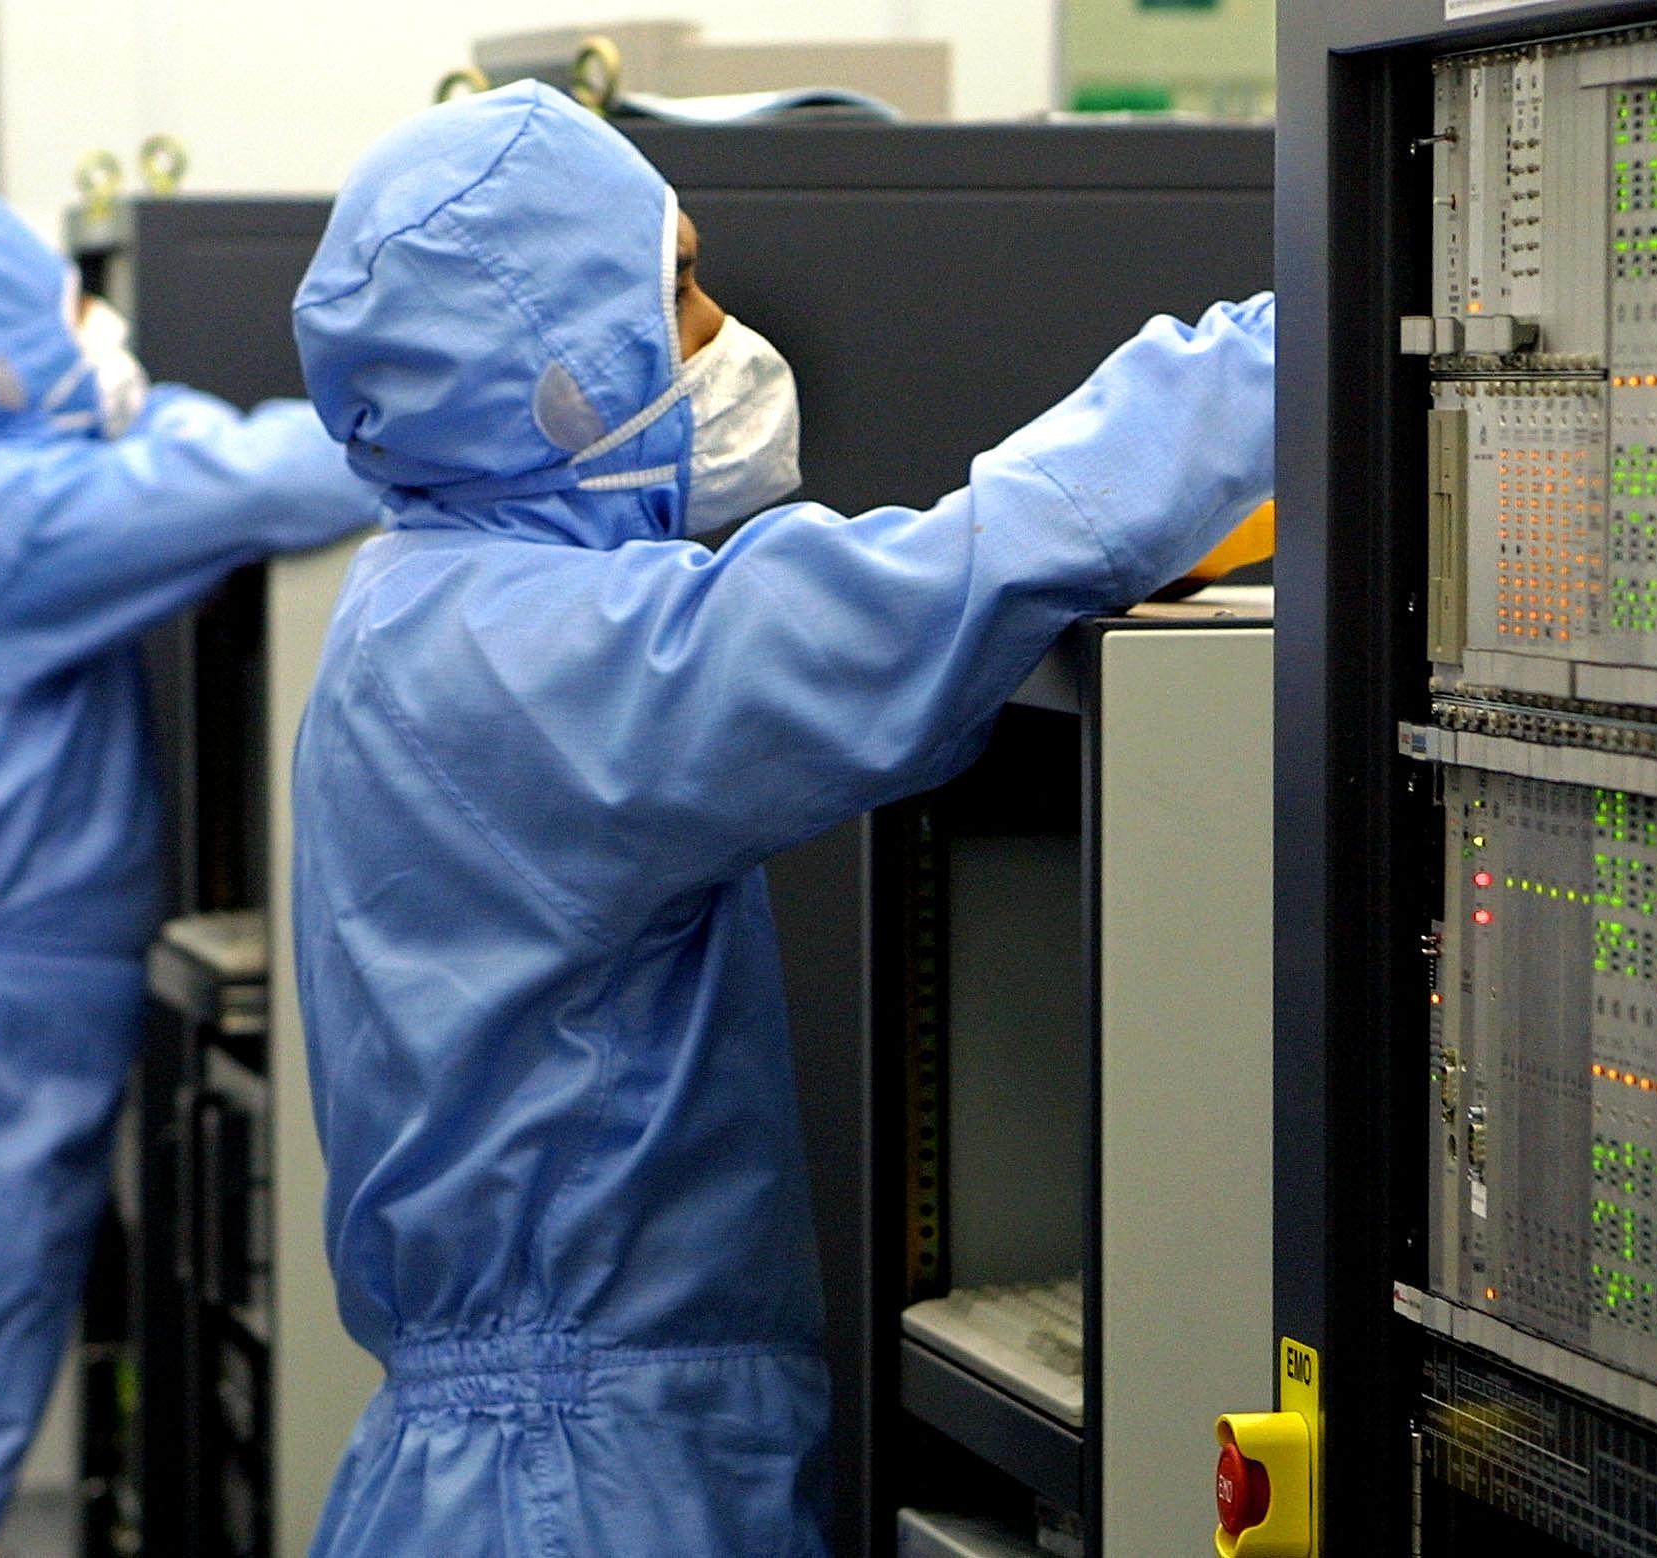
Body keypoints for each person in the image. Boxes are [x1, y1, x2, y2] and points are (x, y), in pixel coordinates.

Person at [288, 80, 1274, 1555]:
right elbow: (935, 596)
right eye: (673, 286)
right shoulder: (539, 657)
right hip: (579, 1487)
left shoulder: (423, 606)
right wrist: (1299, 333)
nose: (718, 329)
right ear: (553, 370)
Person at [0, 195, 380, 1557]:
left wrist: (124, 414)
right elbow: (288, 479)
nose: (96, 328)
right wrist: (161, 412)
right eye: (66, 307)